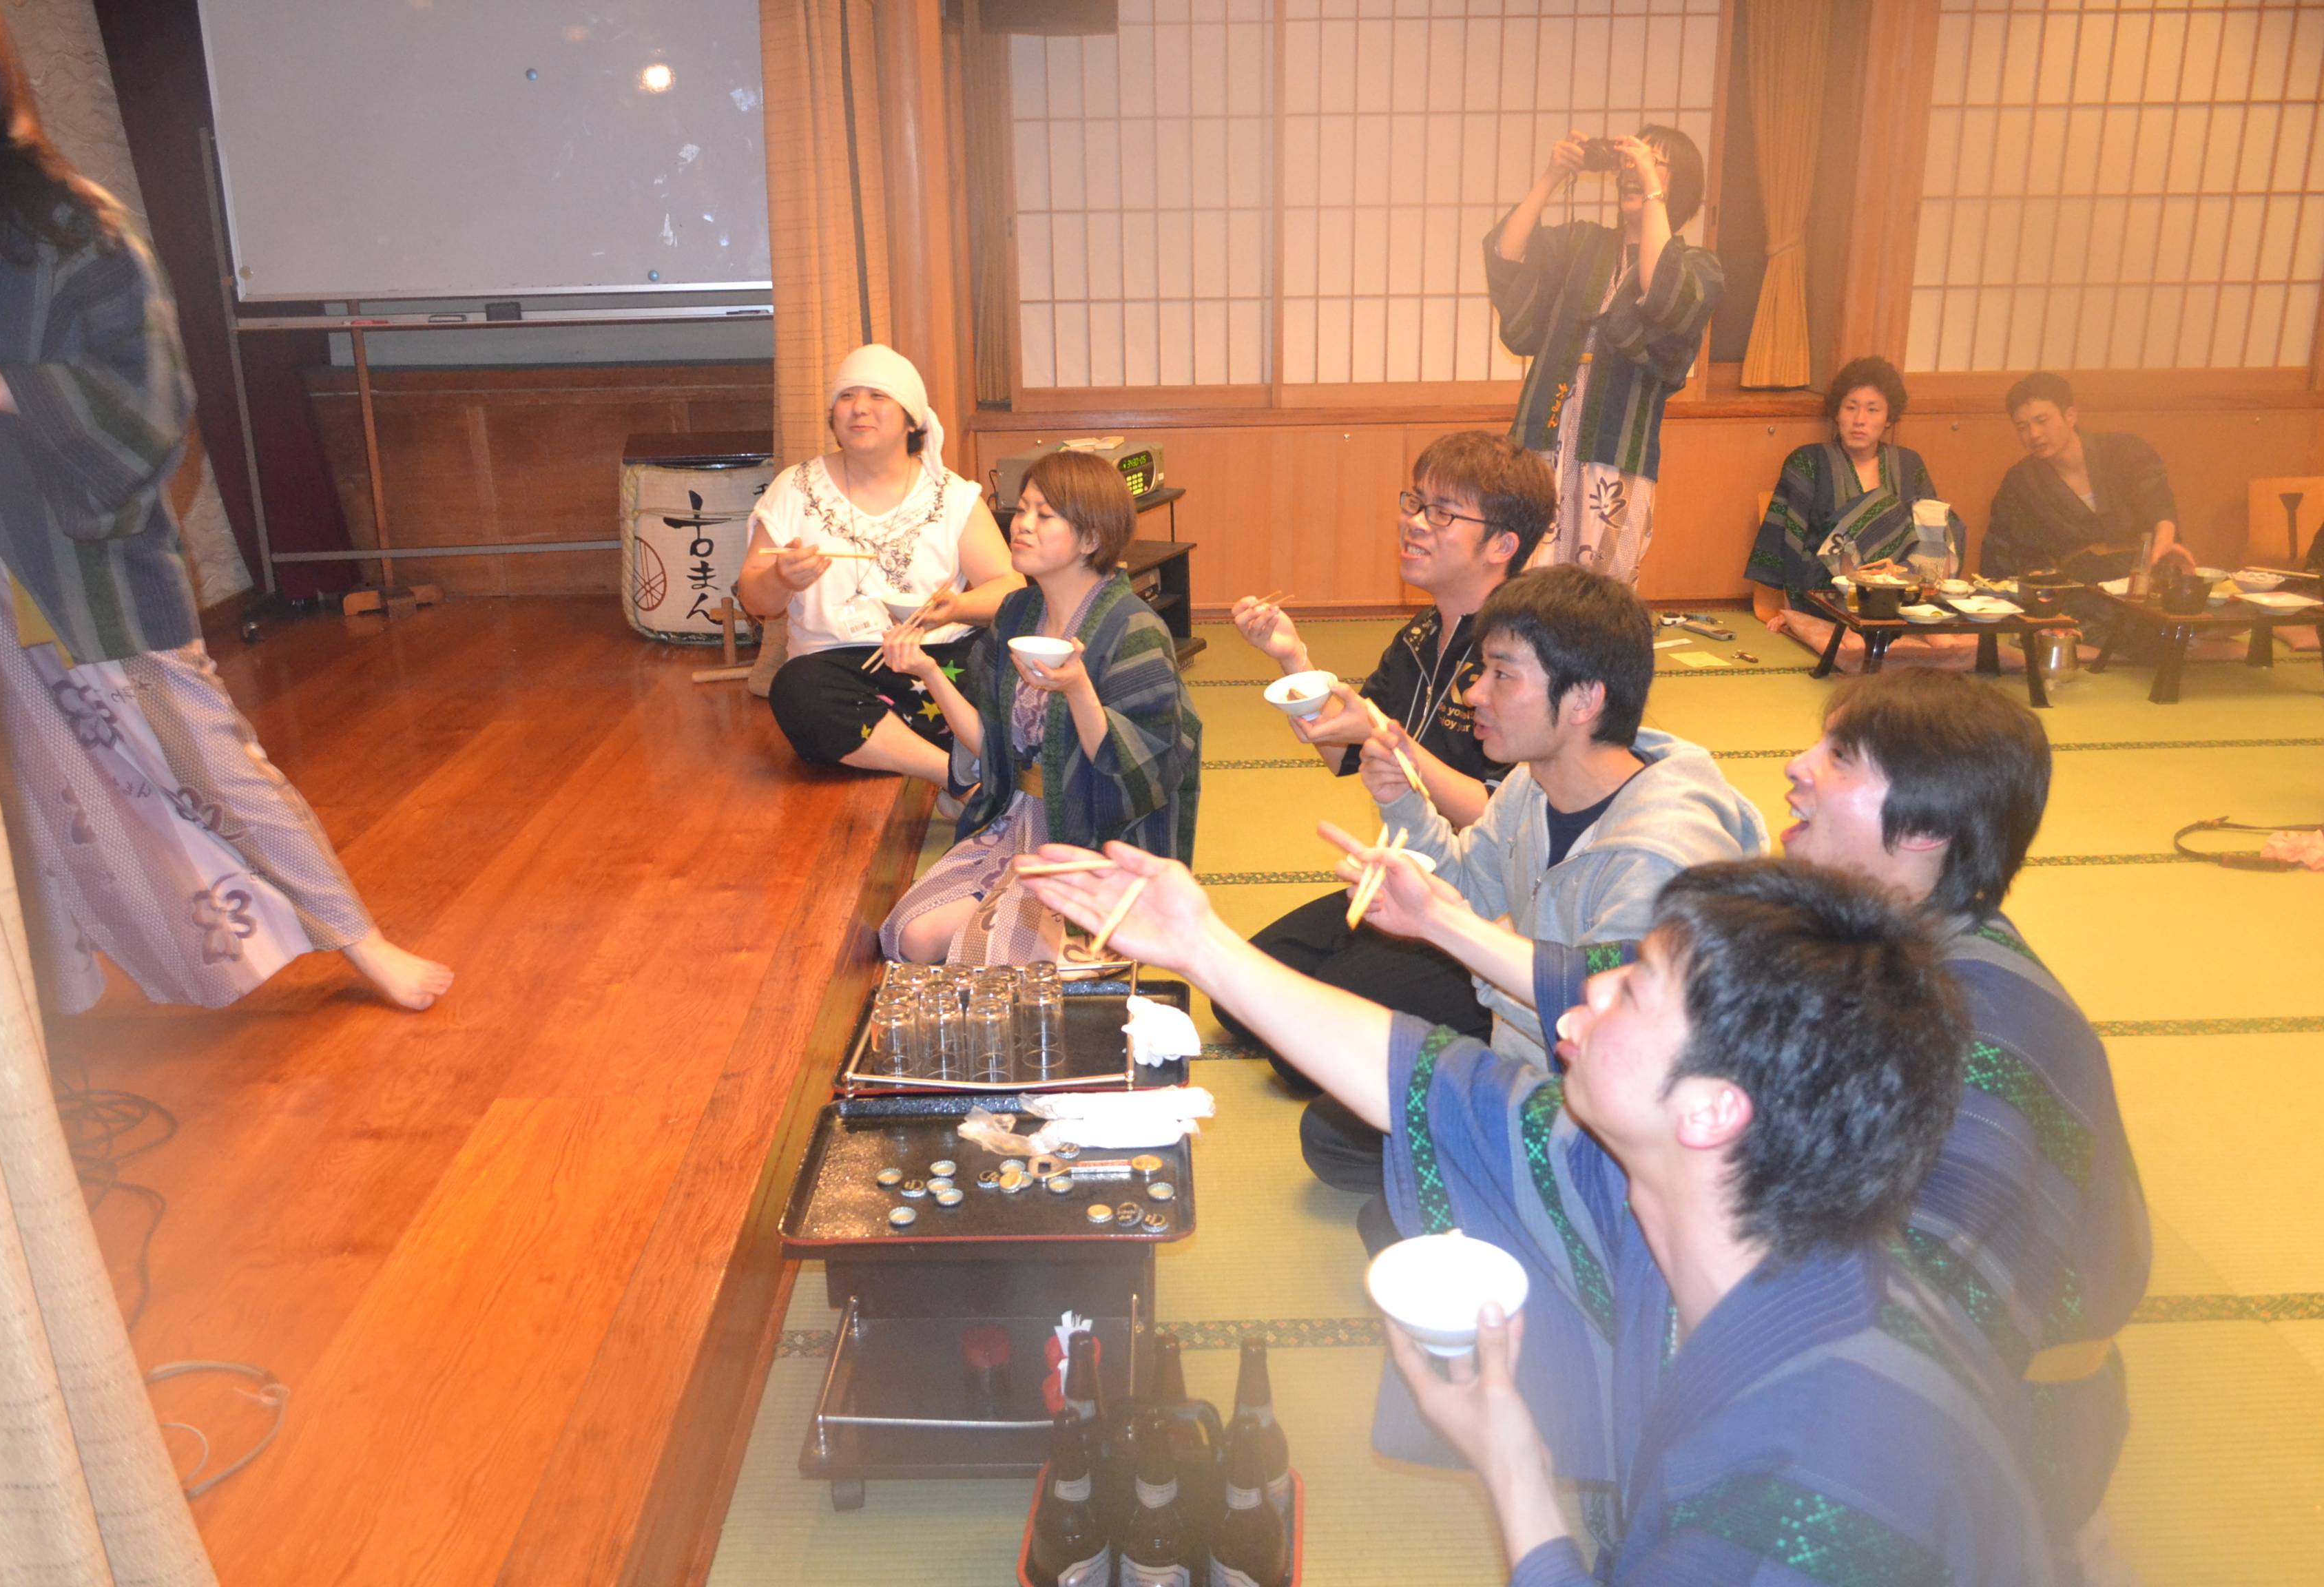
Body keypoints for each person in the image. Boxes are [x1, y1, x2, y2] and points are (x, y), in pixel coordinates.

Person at [1023, 850, 2055, 1586]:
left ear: (1712, 1110)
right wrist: (1200, 945)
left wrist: (1515, 1474)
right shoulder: (1710, 1204)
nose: (1573, 1008)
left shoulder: (1825, 1475)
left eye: (1629, 994)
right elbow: (1432, 1081)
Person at [0, 3, 450, 1013]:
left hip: (69, 547)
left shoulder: (61, 217)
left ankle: (358, 938)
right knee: (15, 779)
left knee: (203, 755)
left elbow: (153, 391)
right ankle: (52, 987)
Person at [1778, 671, 2148, 1573]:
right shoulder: (1888, 932)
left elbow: (1927, 1312)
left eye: (1838, 757)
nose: (1796, 768)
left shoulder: (1983, 1023)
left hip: (2010, 1429)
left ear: (1926, 828)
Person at [1300, 566, 1765, 1237]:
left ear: (1584, 700)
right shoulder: (1532, 784)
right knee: (1331, 1132)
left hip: (1615, 1119)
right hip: (1530, 1064)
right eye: (1481, 671)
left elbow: (1599, 1031)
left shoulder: (1656, 859)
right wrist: (1403, 804)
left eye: (1502, 675)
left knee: (1391, 1224)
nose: (1475, 692)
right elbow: (1469, 885)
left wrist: (1454, 934)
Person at [1218, 431, 1553, 1054]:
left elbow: (1510, 817)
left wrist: (1391, 742)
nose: (1415, 523)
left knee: (1306, 1044)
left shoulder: (1523, 653)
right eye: (1415, 502)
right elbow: (1342, 753)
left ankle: (1494, 1018)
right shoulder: (1420, 635)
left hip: (1483, 906)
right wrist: (1293, 658)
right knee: (1239, 999)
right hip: (1405, 876)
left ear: (1502, 545)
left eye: (1443, 513)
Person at [878, 449, 1199, 964]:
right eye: (1022, 508)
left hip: (1091, 835)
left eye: (1045, 515)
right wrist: (929, 672)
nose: (1021, 525)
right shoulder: (1018, 612)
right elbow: (991, 748)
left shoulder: (1134, 629)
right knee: (912, 936)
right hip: (1016, 820)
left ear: (1091, 539)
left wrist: (1079, 690)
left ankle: (1090, 943)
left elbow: (1145, 773)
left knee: (986, 955)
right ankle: (1052, 948)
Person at [740, 343, 1021, 788]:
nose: (859, 408)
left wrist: (955, 609)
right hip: (839, 671)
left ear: (912, 419)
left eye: (878, 396)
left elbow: (1010, 588)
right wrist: (780, 578)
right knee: (796, 689)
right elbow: (755, 599)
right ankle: (953, 776)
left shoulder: (951, 495)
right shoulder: (793, 488)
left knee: (1006, 662)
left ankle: (900, 750)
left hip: (938, 664)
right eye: (847, 396)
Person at [1487, 127, 1721, 585]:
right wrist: (1552, 177)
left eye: (1653, 162)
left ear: (1680, 184)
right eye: (1629, 162)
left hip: (1617, 447)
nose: (1633, 169)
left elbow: (1665, 295)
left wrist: (1651, 190)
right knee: (1525, 576)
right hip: (1543, 438)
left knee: (1602, 589)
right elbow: (1507, 256)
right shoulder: (1581, 243)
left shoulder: (1700, 267)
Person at [1744, 355, 1961, 624]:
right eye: (1851, 408)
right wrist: (1790, 612)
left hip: (1901, 591)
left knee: (1941, 519)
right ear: (1837, 413)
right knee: (1880, 506)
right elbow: (1790, 543)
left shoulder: (1908, 464)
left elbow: (1932, 534)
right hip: (1829, 592)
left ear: (1889, 418)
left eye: (1873, 410)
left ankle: (1921, 616)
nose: (1860, 420)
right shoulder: (1809, 461)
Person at [1984, 371, 2191, 582]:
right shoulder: (2021, 483)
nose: (2034, 434)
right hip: (2076, 592)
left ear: (2070, 416)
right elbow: (2009, 552)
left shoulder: (2126, 451)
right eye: (2023, 427)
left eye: (2042, 421)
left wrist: (2165, 542)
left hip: (2146, 582)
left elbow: (2158, 501)